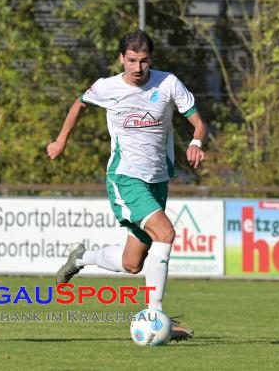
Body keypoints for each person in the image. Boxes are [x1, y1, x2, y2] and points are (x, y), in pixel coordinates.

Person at [47, 30, 206, 341]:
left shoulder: (168, 83)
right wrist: (61, 140)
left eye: (144, 61)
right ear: (121, 59)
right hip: (125, 177)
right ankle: (157, 316)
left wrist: (197, 140)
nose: (138, 67)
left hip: (158, 180)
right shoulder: (107, 87)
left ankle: (81, 257)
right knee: (166, 232)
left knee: (132, 264)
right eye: (131, 61)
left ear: (151, 60)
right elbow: (79, 104)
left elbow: (198, 121)